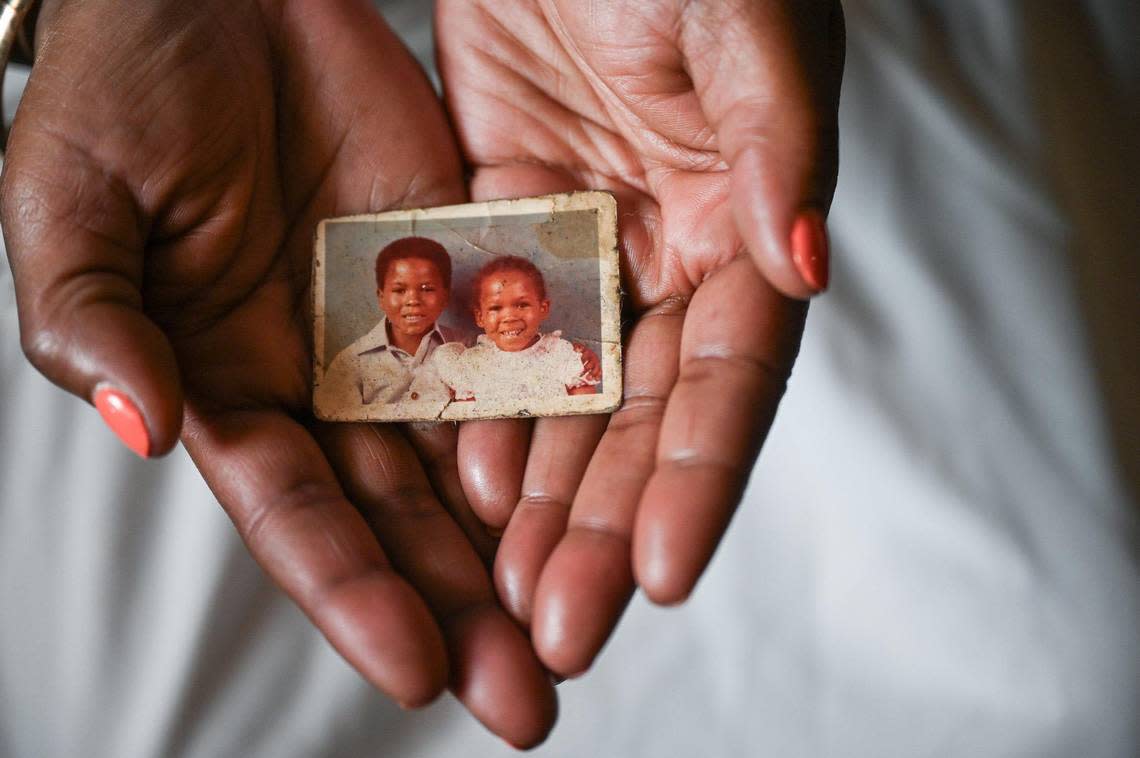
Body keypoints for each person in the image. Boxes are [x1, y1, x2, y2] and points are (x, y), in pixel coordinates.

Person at [2, 1, 1137, 757]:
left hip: (709, 140)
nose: (450, 312)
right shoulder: (367, 351)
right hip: (237, 219)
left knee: (1055, 650)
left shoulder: (559, 341)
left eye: (501, 303)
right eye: (443, 302)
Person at [410, 255, 599, 405]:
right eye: (495, 308)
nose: (509, 317)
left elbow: (584, 410)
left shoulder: (561, 354)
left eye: (522, 305)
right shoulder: (471, 364)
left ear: (543, 308)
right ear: (480, 317)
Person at [315, 236, 461, 411]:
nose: (412, 300)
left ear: (445, 296)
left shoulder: (465, 348)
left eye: (427, 289)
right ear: (381, 297)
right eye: (399, 290)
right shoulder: (351, 363)